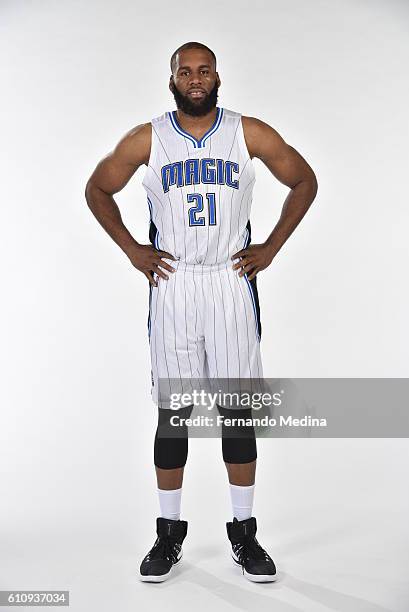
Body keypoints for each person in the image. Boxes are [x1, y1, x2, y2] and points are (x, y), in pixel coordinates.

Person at [85, 41, 318, 583]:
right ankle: (169, 534)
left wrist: (273, 247)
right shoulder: (149, 137)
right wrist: (131, 249)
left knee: (236, 413)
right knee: (175, 415)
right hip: (174, 283)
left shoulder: (247, 131)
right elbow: (98, 187)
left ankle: (244, 531)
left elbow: (304, 180)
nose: (195, 78)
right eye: (185, 70)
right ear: (171, 79)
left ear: (217, 76)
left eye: (204, 70)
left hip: (231, 281)